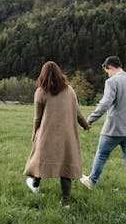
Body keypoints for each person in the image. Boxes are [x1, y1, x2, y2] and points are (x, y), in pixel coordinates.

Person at [23, 61, 90, 208]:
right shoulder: (70, 90)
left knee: (40, 159)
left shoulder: (40, 92)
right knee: (66, 165)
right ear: (60, 74)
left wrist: (35, 133)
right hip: (66, 135)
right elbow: (77, 112)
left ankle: (35, 185)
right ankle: (65, 202)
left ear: (43, 75)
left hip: (46, 134)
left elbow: (37, 118)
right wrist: (85, 125)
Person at [80, 56, 126, 204]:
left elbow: (105, 104)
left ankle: (92, 181)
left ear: (109, 67)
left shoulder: (112, 82)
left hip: (114, 130)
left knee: (102, 154)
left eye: (107, 71)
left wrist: (89, 120)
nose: (107, 74)